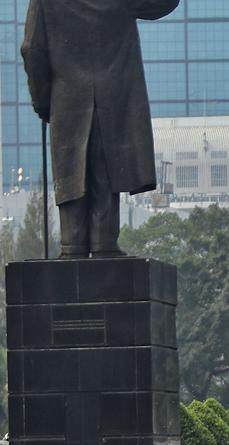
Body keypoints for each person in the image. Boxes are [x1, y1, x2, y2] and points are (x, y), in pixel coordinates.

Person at [21, 0, 180, 258]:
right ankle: (104, 242)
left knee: (71, 168)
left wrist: (42, 100)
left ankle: (72, 244)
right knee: (106, 167)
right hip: (114, 96)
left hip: (66, 99)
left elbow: (32, 48)